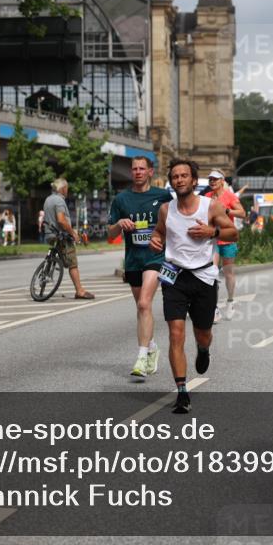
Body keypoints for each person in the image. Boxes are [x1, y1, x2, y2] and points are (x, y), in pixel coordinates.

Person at [149, 159, 237, 414]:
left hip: (203, 277)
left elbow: (233, 233)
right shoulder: (166, 209)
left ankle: (203, 348)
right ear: (172, 181)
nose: (179, 180)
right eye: (175, 176)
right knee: (175, 334)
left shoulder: (211, 206)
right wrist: (155, 240)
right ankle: (182, 392)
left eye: (184, 175)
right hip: (174, 276)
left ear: (193, 180)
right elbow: (158, 233)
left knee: (203, 332)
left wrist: (213, 232)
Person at [108, 156, 172, 378]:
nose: (137, 172)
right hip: (133, 259)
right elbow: (110, 234)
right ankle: (152, 347)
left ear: (150, 172)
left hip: (155, 257)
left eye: (142, 169)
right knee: (141, 308)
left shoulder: (163, 196)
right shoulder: (121, 199)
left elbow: (174, 224)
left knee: (145, 302)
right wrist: (119, 224)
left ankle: (141, 357)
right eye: (134, 169)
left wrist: (162, 239)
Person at [43, 178, 94, 299]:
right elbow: (61, 220)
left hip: (49, 235)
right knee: (72, 264)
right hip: (61, 236)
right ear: (63, 188)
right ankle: (79, 291)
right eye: (67, 188)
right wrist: (73, 234)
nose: (67, 190)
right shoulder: (59, 201)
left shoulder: (48, 199)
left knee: (61, 258)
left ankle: (46, 270)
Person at [204, 170, 245, 322]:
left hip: (227, 239)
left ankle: (230, 301)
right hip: (212, 240)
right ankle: (214, 308)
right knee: (212, 273)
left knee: (228, 273)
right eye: (210, 180)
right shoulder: (206, 197)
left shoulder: (229, 196)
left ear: (222, 181)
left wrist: (227, 210)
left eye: (215, 179)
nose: (212, 182)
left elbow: (242, 213)